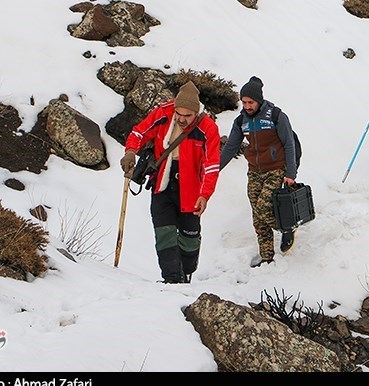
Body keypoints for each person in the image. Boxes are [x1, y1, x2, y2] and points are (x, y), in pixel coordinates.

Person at [120, 81, 221, 283]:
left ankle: (186, 273)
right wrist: (131, 151)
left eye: (187, 116)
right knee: (164, 233)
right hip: (162, 182)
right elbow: (139, 133)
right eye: (179, 114)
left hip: (191, 186)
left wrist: (204, 194)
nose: (182, 119)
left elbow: (211, 165)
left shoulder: (208, 128)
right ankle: (172, 280)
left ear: (196, 112)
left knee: (189, 239)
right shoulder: (163, 114)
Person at [220, 76, 298, 268]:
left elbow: (289, 144)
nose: (247, 106)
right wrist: (214, 169)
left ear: (259, 100)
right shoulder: (241, 122)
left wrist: (291, 173)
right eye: (244, 102)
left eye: (250, 102)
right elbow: (231, 147)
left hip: (276, 169)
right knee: (257, 218)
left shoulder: (276, 116)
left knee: (263, 207)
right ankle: (267, 259)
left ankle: (286, 227)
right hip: (254, 171)